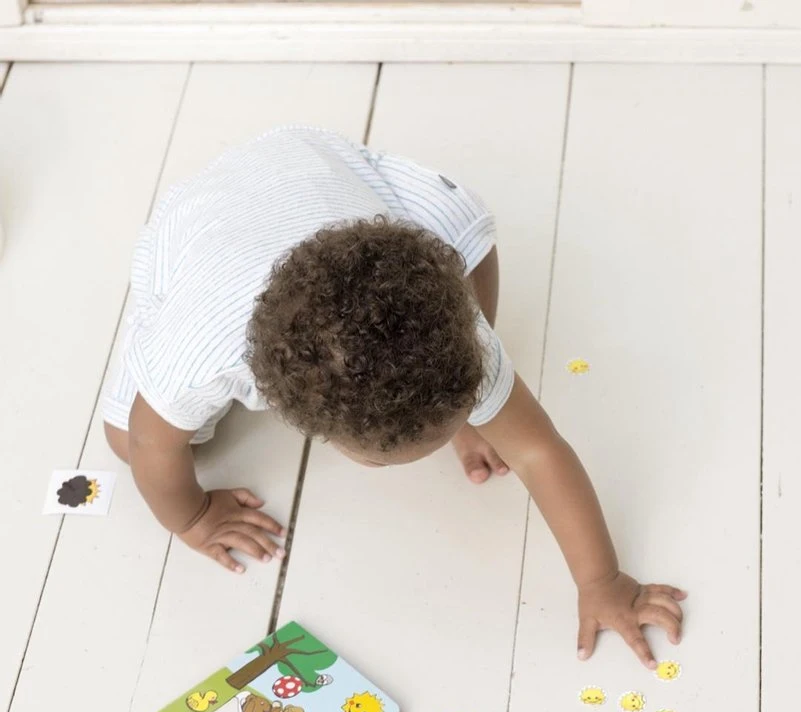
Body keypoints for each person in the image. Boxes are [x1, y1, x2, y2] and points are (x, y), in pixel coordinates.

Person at [103, 126, 684, 669]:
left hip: (308, 162)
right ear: (304, 421)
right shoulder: (201, 356)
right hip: (198, 229)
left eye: (463, 408)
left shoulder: (458, 337)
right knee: (126, 442)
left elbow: (538, 451)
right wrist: (193, 516)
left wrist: (602, 581)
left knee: (465, 226)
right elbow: (154, 442)